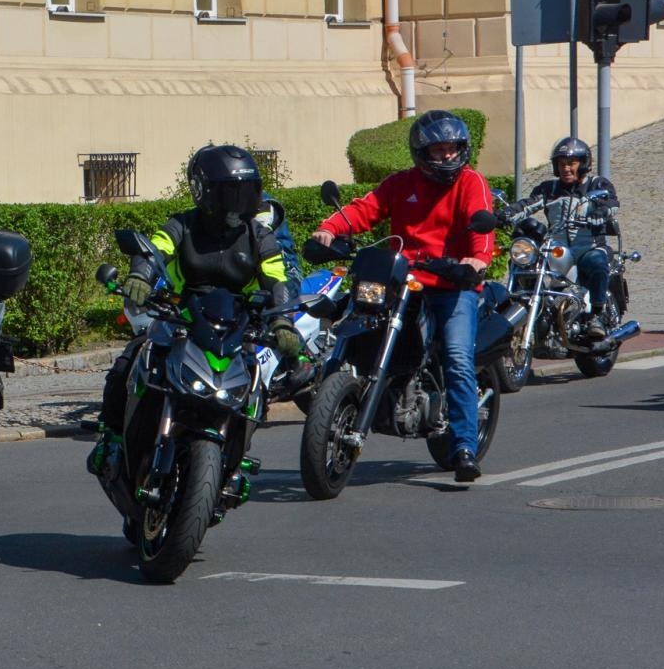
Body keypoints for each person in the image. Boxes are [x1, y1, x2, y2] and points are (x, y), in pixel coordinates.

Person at [89, 145, 300, 475]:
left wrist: (284, 321)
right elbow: (154, 250)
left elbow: (277, 280)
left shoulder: (260, 237)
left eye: (246, 192)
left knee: (257, 382)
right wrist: (140, 277)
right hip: (182, 316)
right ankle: (110, 435)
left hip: (235, 323)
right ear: (204, 191)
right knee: (131, 359)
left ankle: (235, 454)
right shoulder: (182, 225)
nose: (239, 201)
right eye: (230, 192)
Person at [309, 111, 493, 483]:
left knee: (457, 357)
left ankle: (464, 447)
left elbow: (481, 224)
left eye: (452, 149)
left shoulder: (471, 183)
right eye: (438, 150)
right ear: (421, 153)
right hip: (402, 279)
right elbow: (366, 209)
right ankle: (325, 396)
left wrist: (476, 260)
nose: (446, 157)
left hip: (452, 283)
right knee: (347, 318)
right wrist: (330, 229)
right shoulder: (401, 184)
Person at [504, 136, 619, 340]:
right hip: (558, 248)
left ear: (583, 164)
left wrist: (601, 212)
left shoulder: (597, 184)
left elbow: (611, 203)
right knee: (529, 266)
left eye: (571, 164)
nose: (566, 168)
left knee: (597, 262)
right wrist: (503, 215)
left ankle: (597, 316)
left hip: (589, 246)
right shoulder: (549, 189)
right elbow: (528, 204)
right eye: (562, 164)